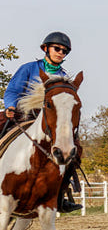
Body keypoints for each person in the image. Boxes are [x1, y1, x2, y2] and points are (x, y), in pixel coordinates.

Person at [3, 32, 82, 213]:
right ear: (46, 48)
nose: (60, 53)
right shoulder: (28, 68)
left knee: (75, 150)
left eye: (64, 51)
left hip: (50, 120)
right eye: (57, 48)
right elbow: (13, 90)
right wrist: (11, 106)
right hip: (23, 114)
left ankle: (60, 196)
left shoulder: (64, 77)